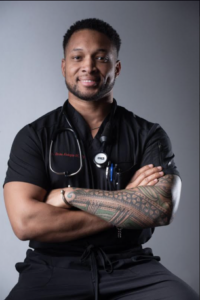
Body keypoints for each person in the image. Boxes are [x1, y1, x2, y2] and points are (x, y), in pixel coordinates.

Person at [3, 18, 198, 300]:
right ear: (63, 66)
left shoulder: (148, 135)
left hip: (131, 266)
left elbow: (161, 208)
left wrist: (71, 196)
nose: (89, 66)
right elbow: (25, 223)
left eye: (102, 58)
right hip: (52, 269)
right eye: (78, 57)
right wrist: (128, 203)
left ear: (116, 68)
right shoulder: (35, 135)